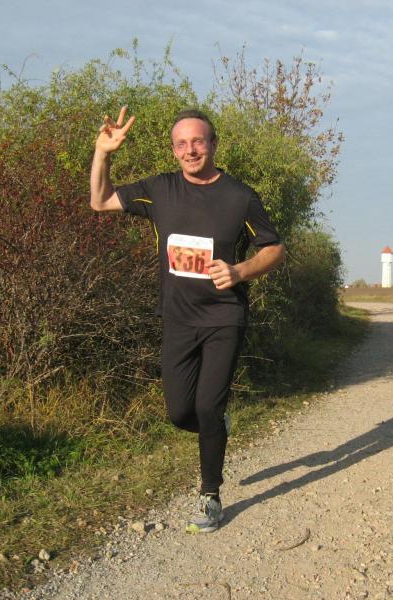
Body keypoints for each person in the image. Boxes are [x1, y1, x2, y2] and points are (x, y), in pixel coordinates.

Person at [90, 106, 285, 533]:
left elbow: (273, 248)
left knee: (208, 405)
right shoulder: (160, 189)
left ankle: (210, 495)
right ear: (174, 150)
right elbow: (100, 201)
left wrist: (239, 271)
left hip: (224, 316)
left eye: (198, 141)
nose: (190, 150)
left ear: (213, 144)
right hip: (178, 318)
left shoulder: (240, 197)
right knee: (181, 413)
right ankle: (215, 426)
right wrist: (102, 153)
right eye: (181, 144)